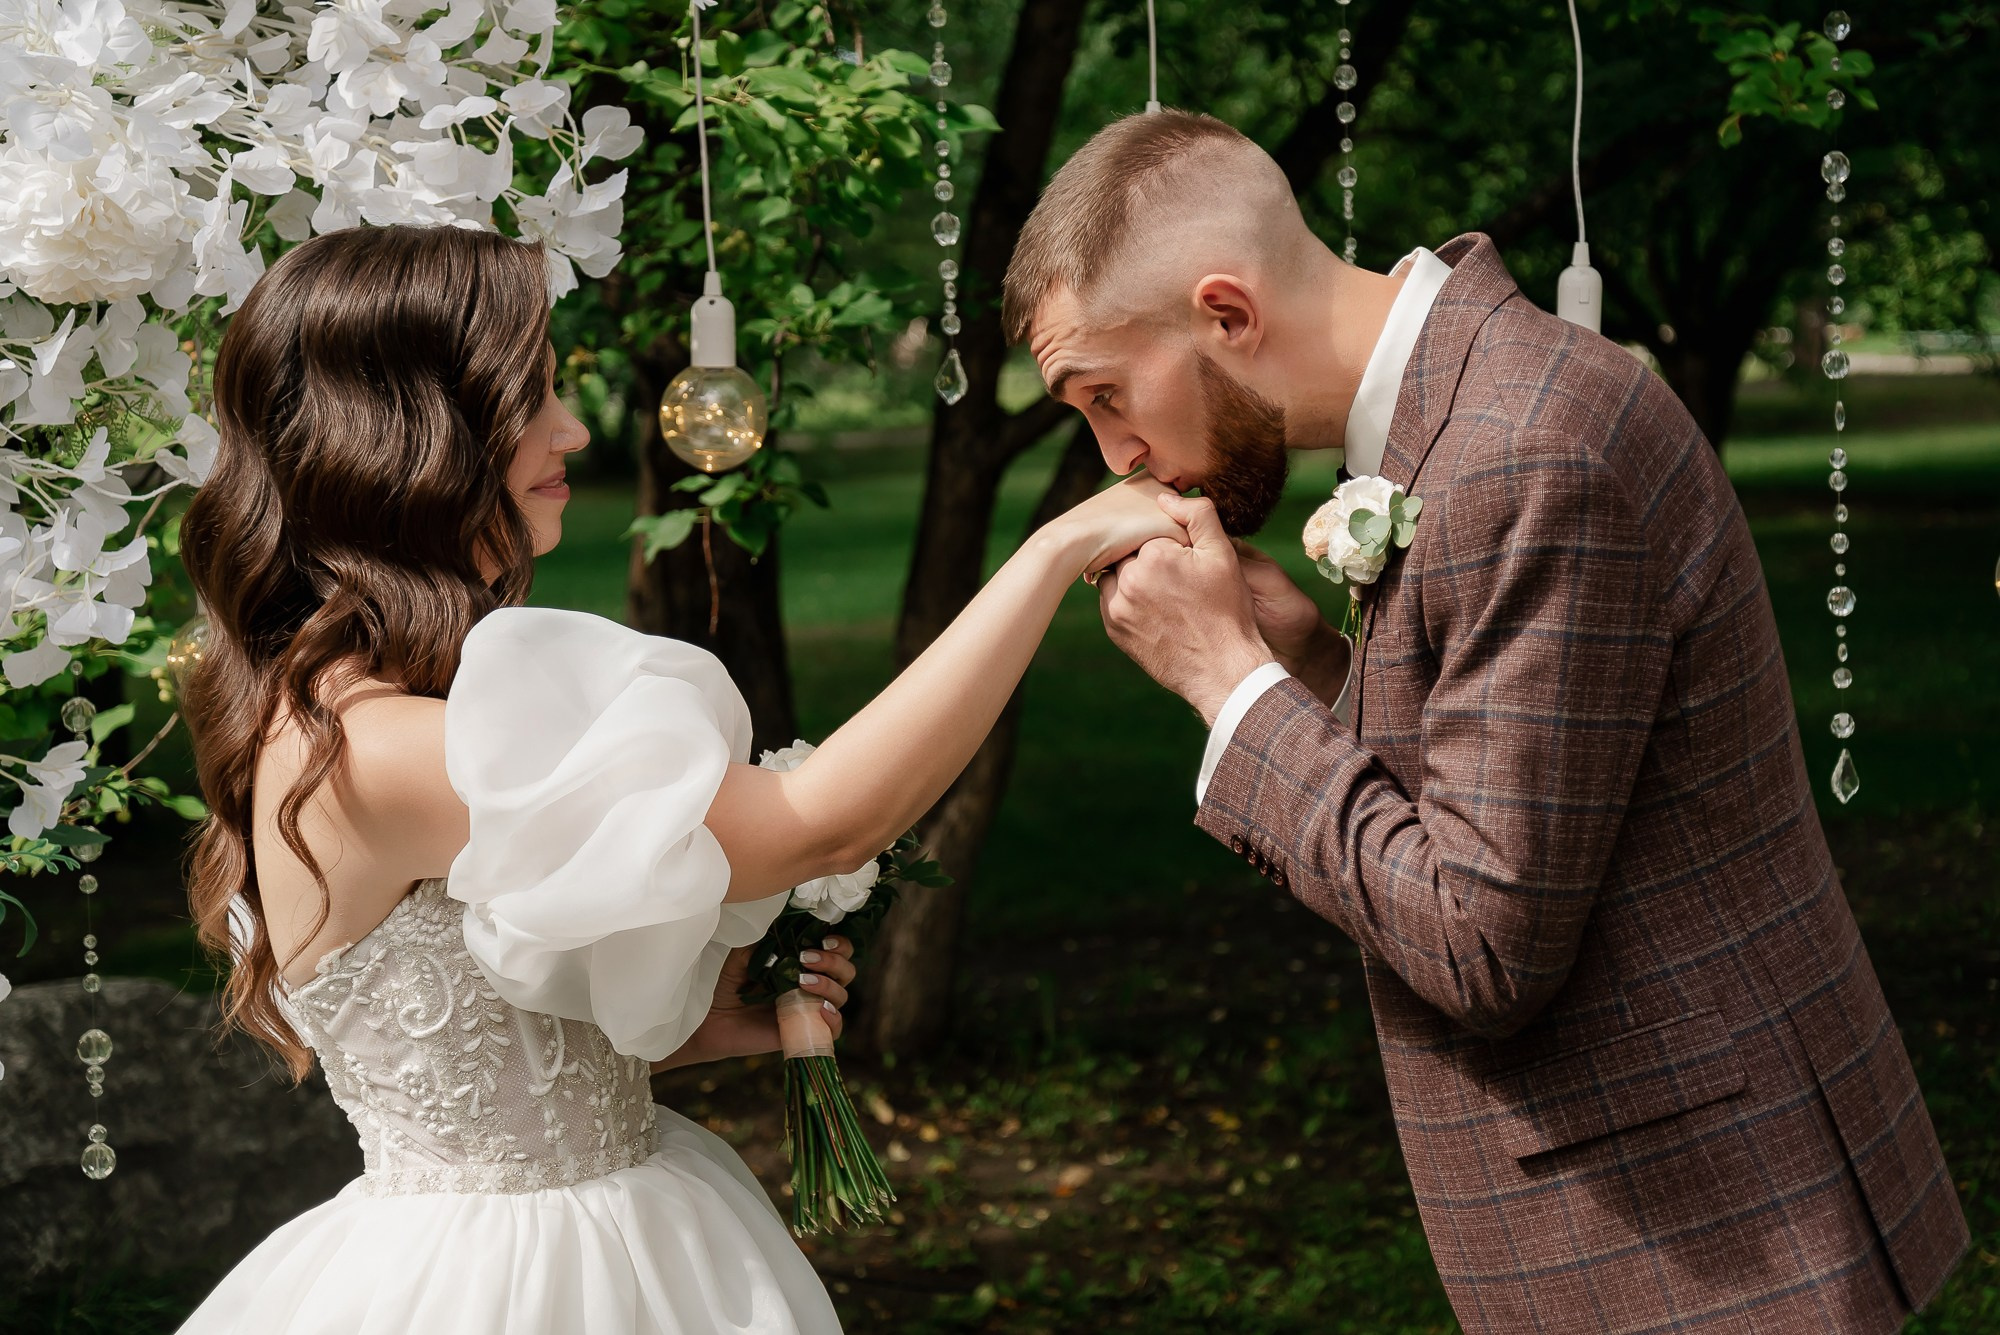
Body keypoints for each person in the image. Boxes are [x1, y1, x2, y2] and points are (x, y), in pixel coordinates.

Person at [1004, 109, 1968, 1333]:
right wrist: (1300, 662)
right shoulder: (1468, 410)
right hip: (1693, 1194)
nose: (1117, 452)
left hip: (1704, 1239)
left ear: (1226, 315)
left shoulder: (1519, 456)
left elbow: (1482, 944)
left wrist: (1227, 691)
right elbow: (1507, 775)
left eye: (1103, 396)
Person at [170, 223, 1182, 1335]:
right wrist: (1050, 553)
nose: (572, 430)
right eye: (532, 399)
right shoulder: (380, 749)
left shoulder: (372, 720)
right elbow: (822, 821)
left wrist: (682, 1030)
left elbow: (487, 1032)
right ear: (408, 437)